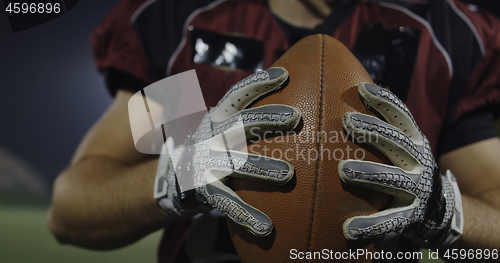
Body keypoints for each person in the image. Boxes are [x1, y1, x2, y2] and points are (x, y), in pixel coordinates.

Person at [47, 0, 500, 262]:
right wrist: (180, 175)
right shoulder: (192, 30)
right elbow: (71, 209)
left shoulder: (443, 36)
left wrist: (444, 210)